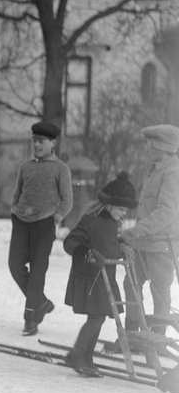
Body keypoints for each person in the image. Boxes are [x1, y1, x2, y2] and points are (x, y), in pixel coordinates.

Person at [61, 173, 138, 377]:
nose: (123, 213)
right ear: (109, 204)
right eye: (121, 208)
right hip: (90, 277)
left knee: (99, 317)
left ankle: (85, 358)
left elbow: (111, 242)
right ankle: (77, 355)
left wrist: (122, 247)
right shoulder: (91, 220)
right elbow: (70, 243)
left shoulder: (114, 223)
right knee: (96, 318)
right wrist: (88, 254)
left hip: (104, 278)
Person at [8, 121, 73, 336]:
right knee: (15, 265)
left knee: (37, 273)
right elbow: (17, 193)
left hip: (44, 225)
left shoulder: (60, 169)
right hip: (21, 222)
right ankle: (41, 303)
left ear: (53, 143)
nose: (37, 145)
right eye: (34, 141)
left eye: (42, 142)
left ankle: (30, 319)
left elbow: (67, 200)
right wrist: (15, 211)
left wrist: (55, 218)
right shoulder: (26, 167)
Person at [119, 124, 179, 335]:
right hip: (143, 243)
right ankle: (133, 335)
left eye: (149, 142)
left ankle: (157, 339)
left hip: (162, 246)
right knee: (131, 284)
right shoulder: (155, 171)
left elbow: (166, 211)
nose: (146, 147)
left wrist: (137, 230)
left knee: (160, 291)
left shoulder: (172, 174)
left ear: (160, 146)